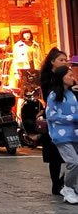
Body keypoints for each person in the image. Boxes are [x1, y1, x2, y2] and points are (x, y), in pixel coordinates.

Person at [43, 49, 78, 204]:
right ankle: (67, 188)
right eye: (69, 75)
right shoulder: (53, 95)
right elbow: (51, 115)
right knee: (73, 162)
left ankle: (71, 187)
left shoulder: (71, 95)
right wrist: (71, 118)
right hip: (61, 135)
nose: (72, 78)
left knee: (75, 162)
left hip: (74, 134)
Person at [40, 49, 67, 196]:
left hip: (68, 116)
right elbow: (50, 96)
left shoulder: (67, 75)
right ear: (52, 62)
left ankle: (63, 182)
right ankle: (56, 184)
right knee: (54, 155)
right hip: (54, 118)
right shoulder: (47, 78)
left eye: (65, 60)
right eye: (61, 60)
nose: (64, 62)